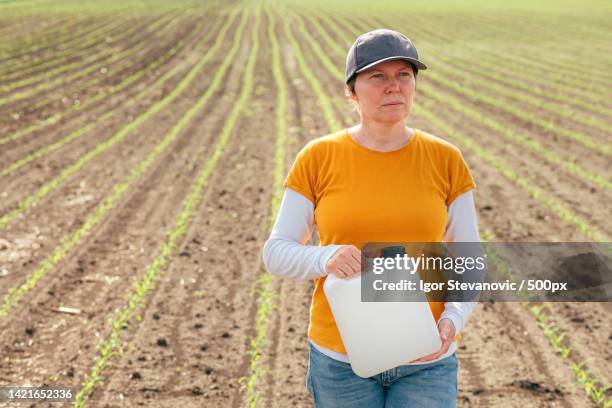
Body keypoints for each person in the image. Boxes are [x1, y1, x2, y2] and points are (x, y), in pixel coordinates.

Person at [262, 29, 480, 407]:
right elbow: (276, 252)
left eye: (404, 75)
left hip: (426, 359)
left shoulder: (446, 159)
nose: (392, 87)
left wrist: (454, 317)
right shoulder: (318, 157)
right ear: (352, 90)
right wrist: (324, 258)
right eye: (377, 76)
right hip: (340, 361)